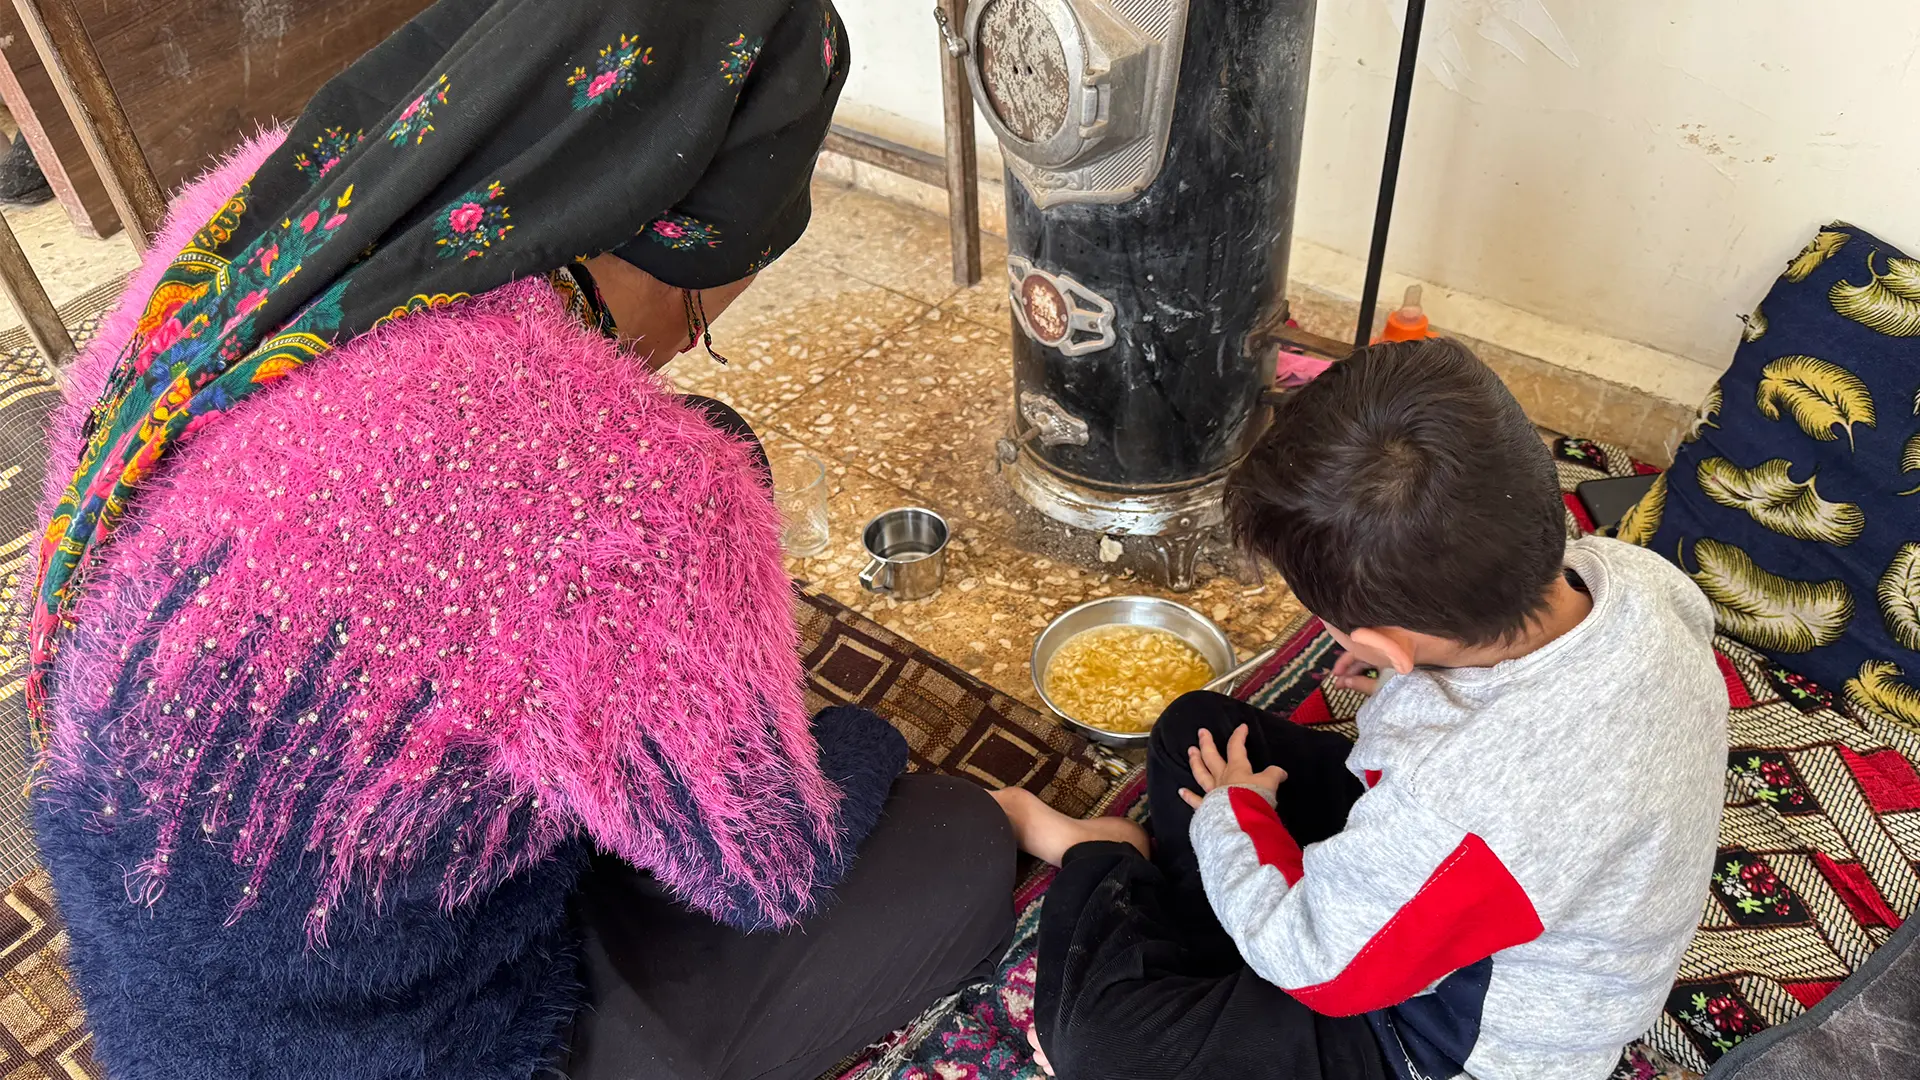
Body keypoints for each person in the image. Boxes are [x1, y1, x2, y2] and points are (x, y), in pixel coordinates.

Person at [26, 3, 1013, 1079]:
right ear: (693, 240)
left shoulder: (288, 197)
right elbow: (766, 865)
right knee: (957, 847)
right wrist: (868, 745)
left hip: (148, 975)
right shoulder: (618, 484)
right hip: (389, 1043)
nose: (680, 356)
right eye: (702, 327)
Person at [994, 338, 1728, 1080]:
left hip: (1432, 1042)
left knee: (1092, 1043)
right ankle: (1224, 938)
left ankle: (1107, 855)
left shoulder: (1461, 797)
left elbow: (1325, 972)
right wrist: (1403, 679)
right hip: (1480, 858)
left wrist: (1235, 813)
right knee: (1194, 730)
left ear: (1389, 644)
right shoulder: (1630, 576)